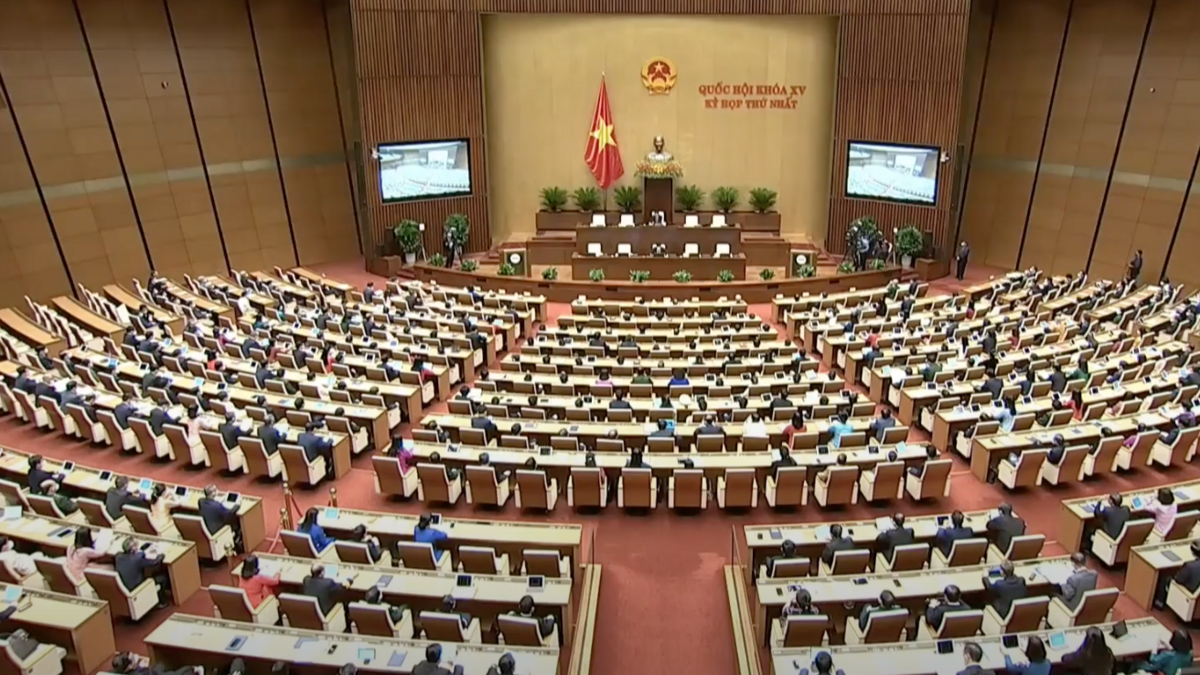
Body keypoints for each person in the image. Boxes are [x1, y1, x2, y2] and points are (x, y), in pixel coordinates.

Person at [115, 537, 169, 608]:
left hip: (124, 586)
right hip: (137, 587)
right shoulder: (137, 558)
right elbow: (155, 563)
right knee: (162, 578)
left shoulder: (118, 556)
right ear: (133, 549)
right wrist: (161, 555)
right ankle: (161, 603)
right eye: (136, 545)